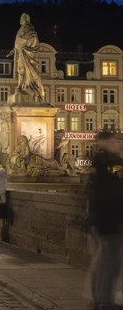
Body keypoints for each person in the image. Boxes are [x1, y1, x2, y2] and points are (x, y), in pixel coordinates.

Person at [87, 131, 123, 310]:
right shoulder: (107, 163)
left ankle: (99, 299)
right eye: (115, 140)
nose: (119, 143)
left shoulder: (102, 161)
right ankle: (104, 301)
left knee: (104, 260)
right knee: (110, 262)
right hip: (108, 218)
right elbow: (110, 192)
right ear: (106, 142)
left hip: (103, 218)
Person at [7, 13, 45, 102]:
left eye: (21, 17)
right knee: (21, 70)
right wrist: (14, 49)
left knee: (26, 70)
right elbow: (19, 41)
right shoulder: (22, 28)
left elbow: (32, 36)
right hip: (21, 52)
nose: (20, 19)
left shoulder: (28, 26)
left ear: (25, 18)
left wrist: (23, 43)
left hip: (27, 53)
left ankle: (26, 87)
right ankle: (20, 86)